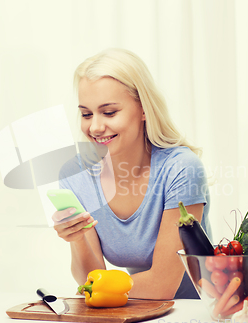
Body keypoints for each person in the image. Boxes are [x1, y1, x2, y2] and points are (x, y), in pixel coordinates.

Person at [52, 48, 212, 299]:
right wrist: (77, 237)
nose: (94, 127)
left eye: (109, 112)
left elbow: (162, 286)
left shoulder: (181, 169)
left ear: (144, 109)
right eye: (86, 114)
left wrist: (97, 289)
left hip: (199, 313)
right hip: (132, 313)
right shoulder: (76, 174)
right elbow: (90, 281)